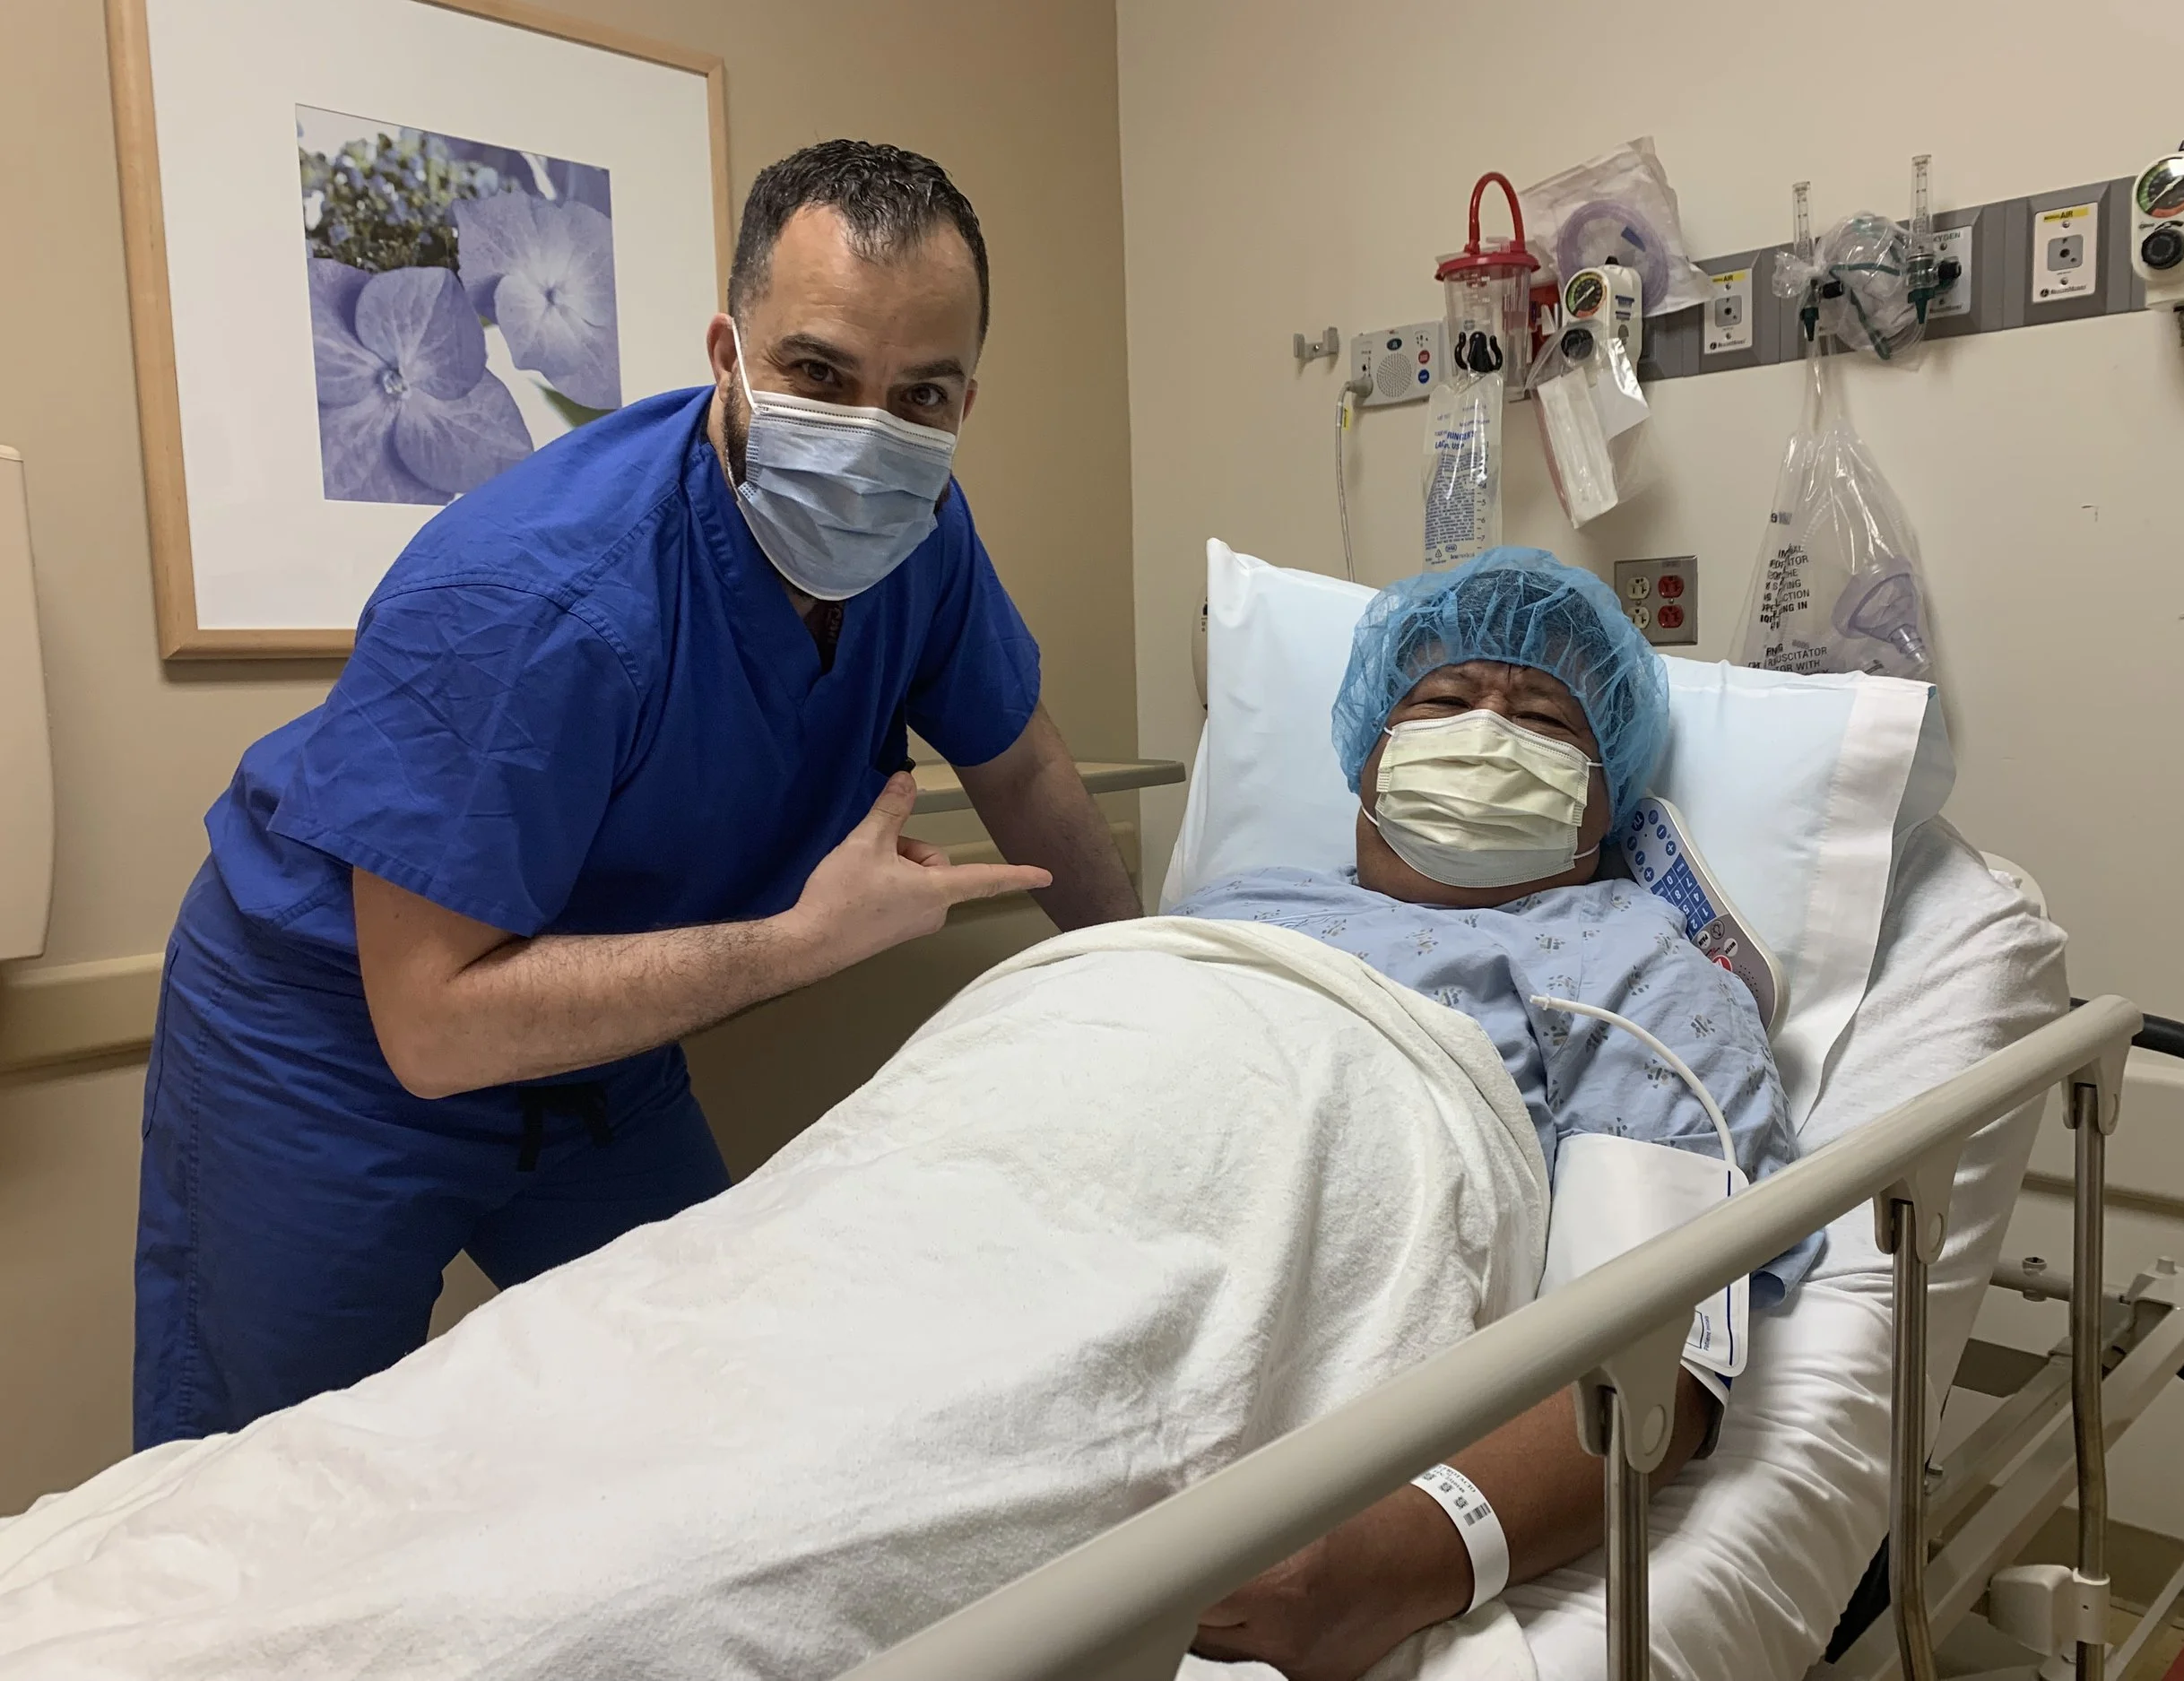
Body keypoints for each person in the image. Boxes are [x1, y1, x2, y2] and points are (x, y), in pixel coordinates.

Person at [134, 139, 1142, 1449]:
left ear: (964, 401)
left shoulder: (921, 535)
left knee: (712, 1414)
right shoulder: (531, 593)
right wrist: (800, 944)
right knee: (264, 1476)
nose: (870, 437)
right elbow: (432, 1025)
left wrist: (1166, 982)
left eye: (920, 395)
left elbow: (1028, 767)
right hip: (326, 1038)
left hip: (594, 1034)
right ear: (728, 354)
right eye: (819, 373)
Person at [1174, 550, 1822, 1680]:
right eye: (1440, 701)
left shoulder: (1638, 970)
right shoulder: (1230, 906)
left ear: (1607, 795)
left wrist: (1396, 1564)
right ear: (1368, 752)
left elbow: (1654, 1349)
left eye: (1543, 718)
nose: (1485, 732)